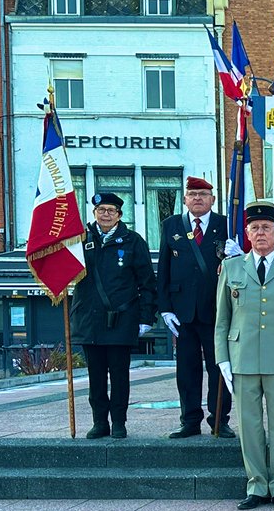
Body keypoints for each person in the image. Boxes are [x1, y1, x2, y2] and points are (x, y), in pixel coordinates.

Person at [214, 202, 274, 511]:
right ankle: (256, 485)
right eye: (254, 228)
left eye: (266, 227)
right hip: (242, 357)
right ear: (247, 233)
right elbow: (222, 320)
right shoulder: (232, 268)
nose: (260, 233)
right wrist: (223, 359)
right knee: (250, 425)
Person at [70, 192, 156, 440]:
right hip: (90, 320)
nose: (105, 214)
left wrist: (145, 317)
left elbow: (147, 282)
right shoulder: (79, 240)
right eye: (101, 210)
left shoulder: (132, 241)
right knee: (95, 377)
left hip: (121, 320)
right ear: (94, 213)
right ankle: (99, 422)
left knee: (119, 376)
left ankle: (118, 421)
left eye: (111, 210)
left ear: (119, 215)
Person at [158, 176, 236, 438]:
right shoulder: (171, 225)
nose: (198, 198)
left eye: (203, 194)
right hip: (183, 312)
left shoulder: (225, 224)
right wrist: (165, 308)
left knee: (219, 368)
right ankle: (189, 421)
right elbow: (164, 269)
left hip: (217, 311)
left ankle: (219, 420)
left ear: (213, 199)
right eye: (193, 194)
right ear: (184, 199)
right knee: (187, 371)